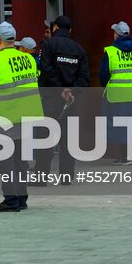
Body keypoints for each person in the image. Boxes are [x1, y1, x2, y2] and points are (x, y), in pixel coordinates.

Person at [0, 21, 41, 213]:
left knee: (6, 161)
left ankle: (11, 199)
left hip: (4, 118)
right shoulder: (28, 59)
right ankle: (21, 197)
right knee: (21, 160)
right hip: (27, 117)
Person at [38, 15, 89, 177]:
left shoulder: (48, 44)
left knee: (46, 137)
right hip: (71, 101)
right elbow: (84, 78)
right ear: (70, 30)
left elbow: (46, 70)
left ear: (55, 28)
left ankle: (41, 175)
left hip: (50, 99)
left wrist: (60, 89)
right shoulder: (79, 49)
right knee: (68, 139)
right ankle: (66, 176)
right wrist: (71, 91)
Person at [100, 21, 132, 164]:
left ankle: (125, 156)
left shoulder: (111, 52)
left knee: (120, 126)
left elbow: (104, 75)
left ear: (116, 35)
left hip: (118, 95)